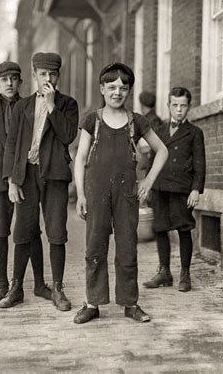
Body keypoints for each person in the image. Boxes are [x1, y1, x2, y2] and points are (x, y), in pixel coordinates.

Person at [72, 62, 168, 324]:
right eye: (112, 87)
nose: (117, 92)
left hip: (126, 194)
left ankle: (130, 303)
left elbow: (162, 151)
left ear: (129, 91)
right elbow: (80, 158)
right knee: (95, 247)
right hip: (96, 192)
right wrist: (81, 194)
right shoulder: (92, 119)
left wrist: (147, 181)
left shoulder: (137, 121)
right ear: (102, 88)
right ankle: (92, 303)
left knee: (127, 248)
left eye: (123, 88)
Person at [0, 52, 79, 311]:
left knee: (57, 233)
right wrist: (12, 180)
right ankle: (17, 287)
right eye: (43, 74)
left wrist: (52, 105)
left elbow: (67, 136)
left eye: (53, 74)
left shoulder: (68, 104)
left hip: (55, 176)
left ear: (58, 76)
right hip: (27, 176)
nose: (48, 79)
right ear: (33, 75)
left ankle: (57, 289)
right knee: (23, 232)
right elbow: (12, 145)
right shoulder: (22, 107)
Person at [0, 61, 51, 302]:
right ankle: (2, 283)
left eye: (14, 78)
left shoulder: (30, 107)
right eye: (4, 80)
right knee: (1, 230)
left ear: (20, 82)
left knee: (31, 229)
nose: (9, 83)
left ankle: (38, 283)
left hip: (25, 177)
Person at [142, 87, 206, 292]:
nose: (179, 110)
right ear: (168, 106)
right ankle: (164, 272)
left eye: (183, 106)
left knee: (183, 229)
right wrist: (147, 185)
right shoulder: (158, 131)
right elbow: (152, 160)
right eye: (175, 105)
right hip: (160, 187)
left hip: (181, 189)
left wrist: (196, 189)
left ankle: (185, 274)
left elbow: (200, 163)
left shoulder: (195, 133)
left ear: (189, 107)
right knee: (160, 228)